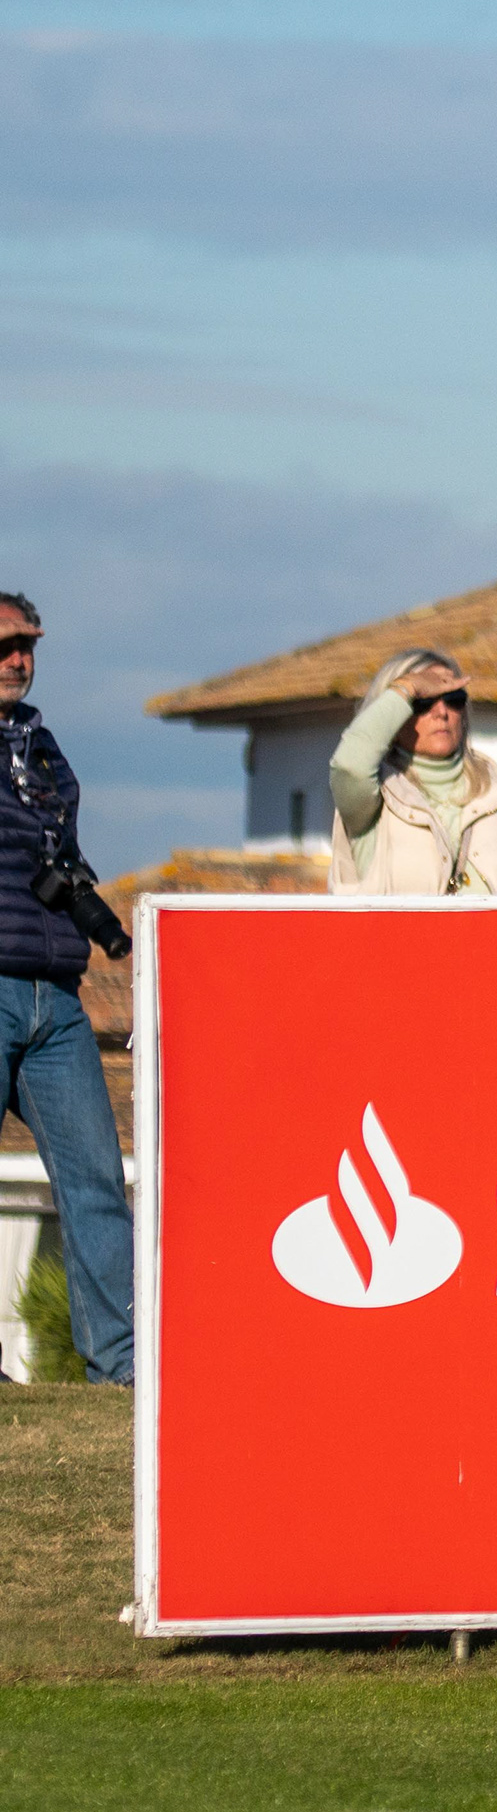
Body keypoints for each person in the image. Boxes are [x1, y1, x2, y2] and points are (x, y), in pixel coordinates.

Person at [0, 592, 134, 1384]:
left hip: (56, 990)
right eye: (4, 646)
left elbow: (63, 856)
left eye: (27, 647)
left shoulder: (42, 749)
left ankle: (120, 1368)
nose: (18, 661)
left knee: (96, 1182)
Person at [327, 650, 497, 896]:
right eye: (422, 701)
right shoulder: (371, 799)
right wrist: (407, 687)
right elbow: (349, 765)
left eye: (454, 698)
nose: (441, 712)